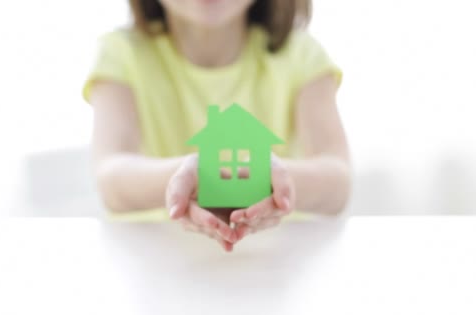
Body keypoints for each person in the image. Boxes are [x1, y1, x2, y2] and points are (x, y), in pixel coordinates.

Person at [82, 0, 351, 252]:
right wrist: (188, 178)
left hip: (281, 261)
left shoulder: (301, 54)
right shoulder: (122, 54)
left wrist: (268, 179)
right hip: (163, 264)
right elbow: (111, 178)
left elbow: (338, 180)